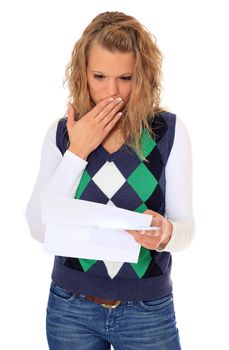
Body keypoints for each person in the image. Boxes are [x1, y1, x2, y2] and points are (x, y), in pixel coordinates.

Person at [25, 11, 195, 350]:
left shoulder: (167, 133)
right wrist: (78, 151)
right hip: (70, 310)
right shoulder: (62, 135)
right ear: (83, 73)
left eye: (126, 78)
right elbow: (38, 228)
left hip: (147, 312)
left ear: (143, 76)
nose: (111, 91)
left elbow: (186, 227)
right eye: (99, 76)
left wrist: (165, 233)